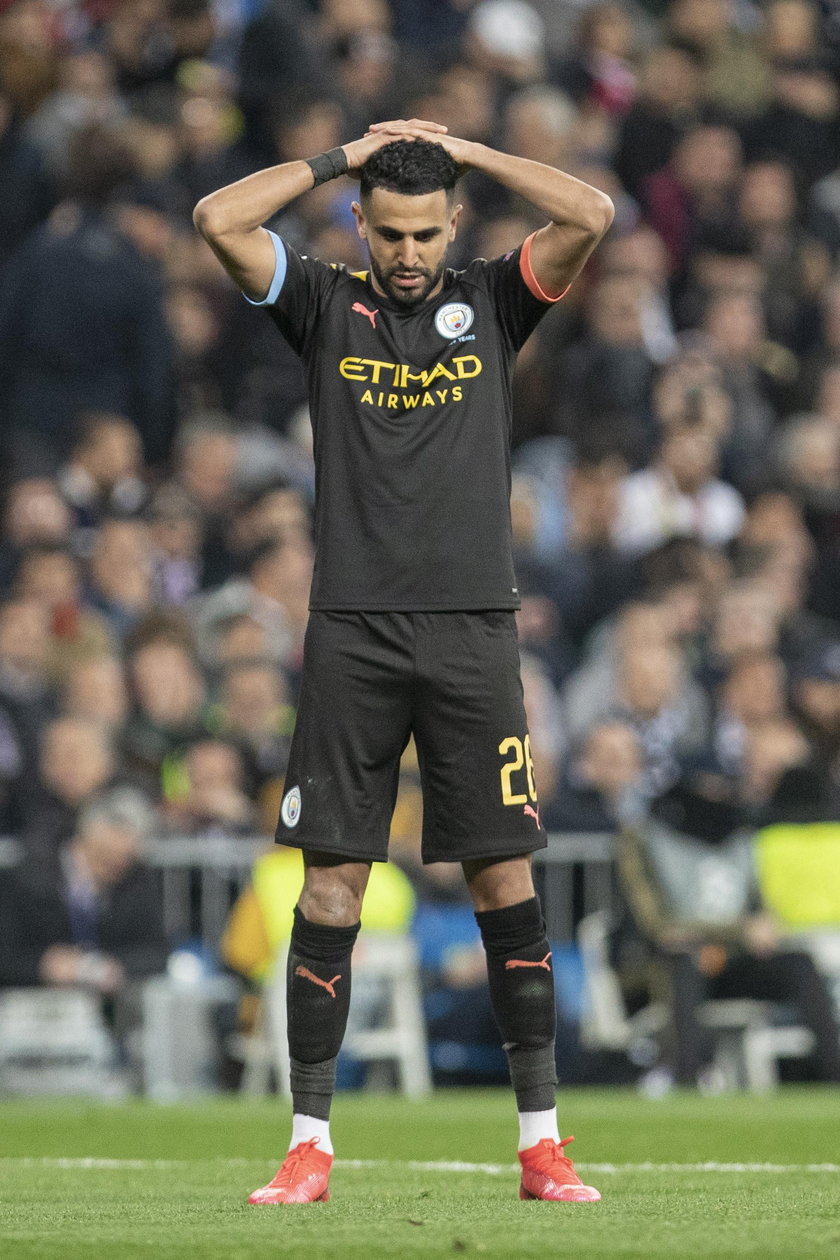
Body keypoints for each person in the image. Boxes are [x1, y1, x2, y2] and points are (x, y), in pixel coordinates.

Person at [195, 116, 613, 1205]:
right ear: (360, 226)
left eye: (428, 233)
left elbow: (592, 214)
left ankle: (541, 1144)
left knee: (505, 877)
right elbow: (216, 218)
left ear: (455, 222)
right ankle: (308, 1147)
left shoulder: (498, 297)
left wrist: (471, 150)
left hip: (475, 629)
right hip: (353, 632)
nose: (412, 254)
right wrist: (344, 155)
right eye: (391, 233)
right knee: (331, 881)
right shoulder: (325, 302)